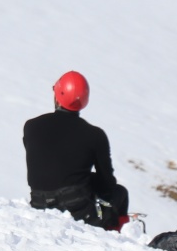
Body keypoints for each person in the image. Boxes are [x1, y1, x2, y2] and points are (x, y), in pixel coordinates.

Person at [23, 71, 130, 229]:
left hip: (38, 203)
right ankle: (116, 238)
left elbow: (48, 163)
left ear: (57, 94)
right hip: (78, 210)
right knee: (120, 193)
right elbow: (107, 182)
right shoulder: (95, 135)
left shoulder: (31, 126)